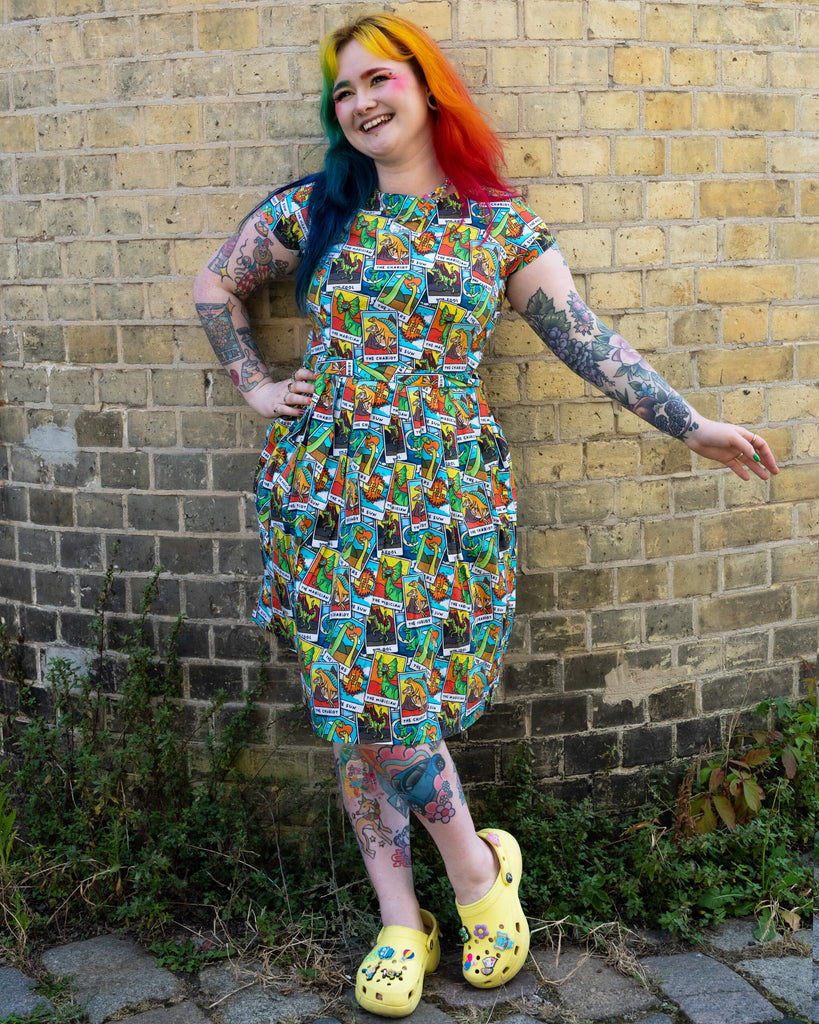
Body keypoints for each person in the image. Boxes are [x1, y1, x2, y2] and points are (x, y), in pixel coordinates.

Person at [193, 13, 779, 1017]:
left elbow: (586, 337)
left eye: (379, 79)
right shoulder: (315, 210)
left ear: (427, 88)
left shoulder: (497, 226)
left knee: (386, 701)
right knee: (355, 698)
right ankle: (444, 894)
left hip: (442, 497)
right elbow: (216, 284)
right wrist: (255, 383)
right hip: (322, 493)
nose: (360, 103)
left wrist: (690, 424)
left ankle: (441, 895)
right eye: (343, 91)